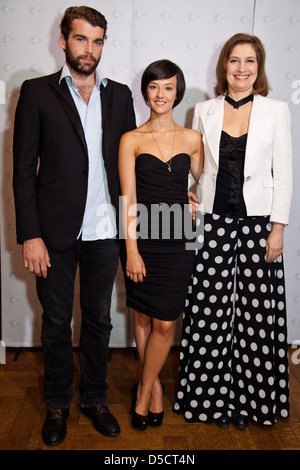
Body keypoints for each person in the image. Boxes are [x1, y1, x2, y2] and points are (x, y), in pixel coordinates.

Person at [13, 6, 136, 446]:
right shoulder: (37, 91)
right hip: (54, 233)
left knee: (100, 320)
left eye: (98, 41)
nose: (90, 50)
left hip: (105, 230)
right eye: (82, 39)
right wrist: (30, 233)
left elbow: (132, 165)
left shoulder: (120, 95)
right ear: (63, 40)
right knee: (56, 323)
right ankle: (58, 404)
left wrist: (180, 194)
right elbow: (24, 169)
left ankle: (95, 400)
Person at [173, 33, 293, 430]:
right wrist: (191, 195)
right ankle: (207, 401)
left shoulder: (276, 110)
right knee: (207, 311)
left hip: (260, 224)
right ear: (224, 66)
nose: (241, 69)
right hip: (212, 222)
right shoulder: (203, 110)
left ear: (259, 69)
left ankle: (252, 404)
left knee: (258, 316)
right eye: (234, 61)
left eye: (250, 62)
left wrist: (277, 229)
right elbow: (200, 170)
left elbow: (284, 175)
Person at [118, 59, 203, 430]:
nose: (161, 94)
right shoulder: (131, 140)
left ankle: (143, 388)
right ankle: (152, 393)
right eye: (154, 87)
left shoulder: (192, 138)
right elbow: (128, 198)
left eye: (168, 87)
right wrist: (132, 250)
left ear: (177, 92)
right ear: (146, 92)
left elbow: (206, 184)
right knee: (141, 316)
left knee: (166, 324)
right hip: (144, 237)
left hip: (179, 238)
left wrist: (191, 196)